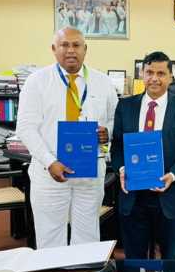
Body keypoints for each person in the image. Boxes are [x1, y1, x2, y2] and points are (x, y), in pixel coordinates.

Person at [16, 27, 118, 248]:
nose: (70, 50)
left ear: (85, 49)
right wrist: (49, 161)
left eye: (76, 45)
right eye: (64, 45)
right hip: (49, 172)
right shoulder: (37, 82)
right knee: (50, 235)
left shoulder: (103, 82)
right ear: (54, 49)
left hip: (90, 172)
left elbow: (114, 119)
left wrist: (107, 132)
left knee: (88, 234)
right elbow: (25, 127)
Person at [111, 51, 175, 260]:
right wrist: (122, 168)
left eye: (161, 73)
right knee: (134, 259)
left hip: (169, 195)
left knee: (170, 259)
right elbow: (117, 147)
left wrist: (173, 175)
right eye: (149, 72)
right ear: (141, 74)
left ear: (171, 77)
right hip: (133, 196)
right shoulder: (125, 106)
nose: (154, 78)